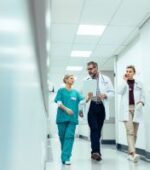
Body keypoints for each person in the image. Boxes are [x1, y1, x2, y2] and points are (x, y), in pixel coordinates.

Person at [80, 61, 114, 161]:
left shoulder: (106, 79)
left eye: (91, 69)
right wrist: (82, 107)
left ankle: (94, 152)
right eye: (88, 69)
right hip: (91, 106)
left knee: (98, 130)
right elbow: (82, 96)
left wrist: (105, 95)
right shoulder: (86, 80)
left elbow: (112, 92)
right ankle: (96, 151)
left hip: (101, 106)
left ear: (96, 68)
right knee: (94, 128)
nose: (89, 71)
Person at [54, 74, 90, 165]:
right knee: (62, 138)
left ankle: (66, 157)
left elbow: (83, 101)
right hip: (61, 118)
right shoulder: (61, 91)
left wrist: (89, 97)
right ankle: (64, 155)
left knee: (69, 137)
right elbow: (58, 102)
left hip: (72, 119)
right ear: (66, 79)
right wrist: (66, 109)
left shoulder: (76, 92)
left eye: (73, 79)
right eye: (71, 78)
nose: (73, 80)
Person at [118, 65, 145, 162]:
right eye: (127, 71)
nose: (128, 73)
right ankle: (133, 153)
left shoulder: (139, 83)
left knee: (135, 133)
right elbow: (119, 92)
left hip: (136, 109)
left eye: (130, 71)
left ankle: (130, 153)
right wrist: (124, 81)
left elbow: (143, 96)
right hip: (126, 109)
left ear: (134, 73)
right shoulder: (124, 83)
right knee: (130, 131)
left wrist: (141, 102)